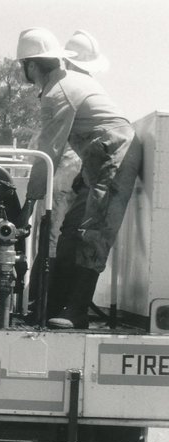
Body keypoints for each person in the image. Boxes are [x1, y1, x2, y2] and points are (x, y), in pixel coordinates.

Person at [17, 27, 142, 329]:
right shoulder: (65, 82)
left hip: (114, 153)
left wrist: (27, 206)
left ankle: (77, 310)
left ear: (31, 65)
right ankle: (50, 306)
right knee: (71, 230)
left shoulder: (57, 92)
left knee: (93, 230)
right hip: (98, 158)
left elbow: (48, 152)